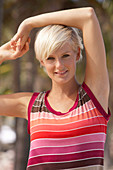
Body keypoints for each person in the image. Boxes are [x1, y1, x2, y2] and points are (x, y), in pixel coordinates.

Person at [0, 7, 111, 170]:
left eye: (65, 55)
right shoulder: (32, 106)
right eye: (50, 58)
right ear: (42, 62)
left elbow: (88, 16)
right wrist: (2, 55)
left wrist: (29, 23)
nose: (59, 65)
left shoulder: (93, 98)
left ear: (78, 54)